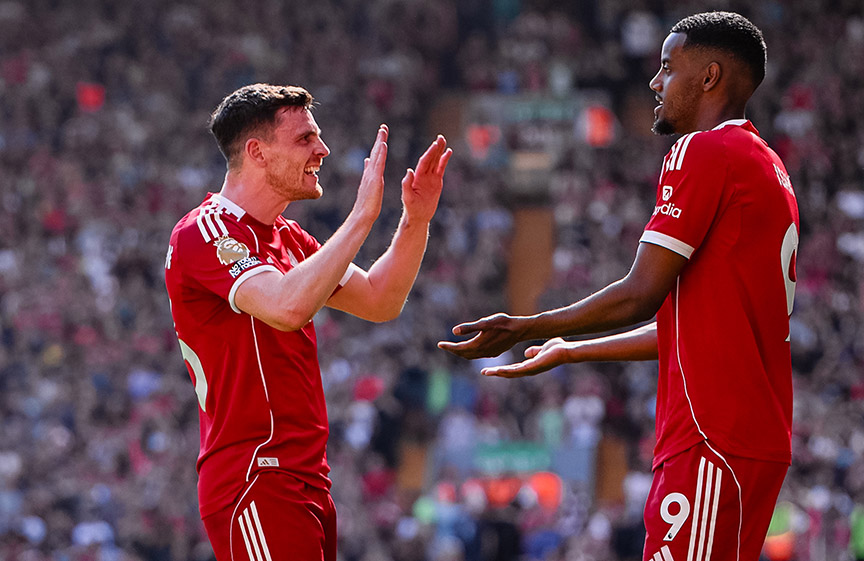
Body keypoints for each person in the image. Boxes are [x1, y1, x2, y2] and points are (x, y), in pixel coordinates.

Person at [439, 12, 798, 561]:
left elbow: (640, 293)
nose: (654, 82)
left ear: (710, 76)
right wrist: (571, 349)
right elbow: (686, 328)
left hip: (710, 436)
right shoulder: (768, 166)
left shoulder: (703, 151)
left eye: (668, 67)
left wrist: (528, 325)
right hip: (748, 439)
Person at [165, 83, 451, 561]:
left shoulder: (290, 238)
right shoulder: (205, 230)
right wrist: (361, 217)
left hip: (305, 478)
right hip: (255, 475)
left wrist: (415, 219)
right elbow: (286, 307)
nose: (323, 150)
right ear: (257, 152)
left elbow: (380, 299)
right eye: (305, 139)